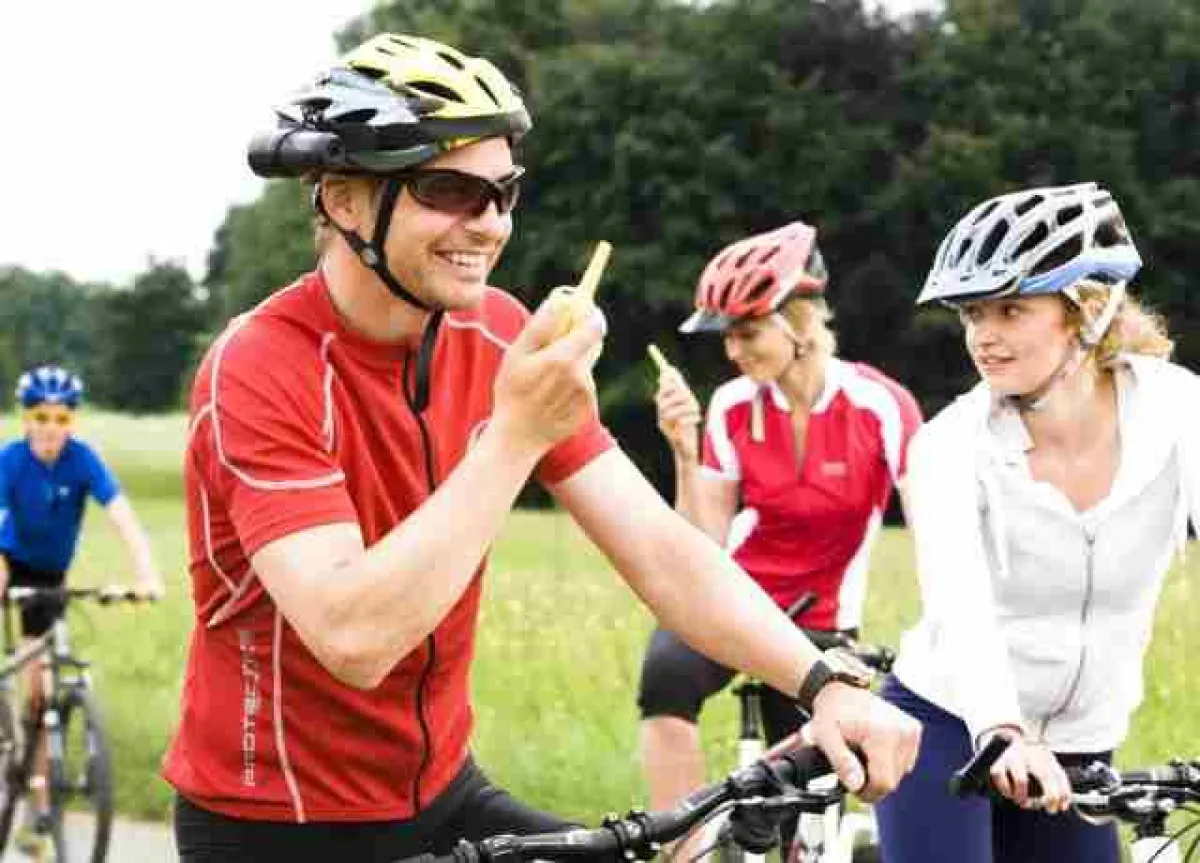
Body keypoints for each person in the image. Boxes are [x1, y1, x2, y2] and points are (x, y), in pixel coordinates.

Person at [161, 33, 921, 863]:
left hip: (440, 792)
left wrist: (823, 683)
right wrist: (515, 433)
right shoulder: (258, 366)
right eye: (450, 190)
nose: (489, 224)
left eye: (504, 192)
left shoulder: (499, 331)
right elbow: (355, 637)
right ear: (344, 199)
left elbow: (661, 549)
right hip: (275, 825)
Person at [873, 181, 1197, 863]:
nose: (983, 337)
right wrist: (1003, 729)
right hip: (946, 725)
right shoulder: (949, 445)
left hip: (1081, 745)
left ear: (1085, 311)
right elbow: (962, 608)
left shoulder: (1178, 412)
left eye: (1011, 310)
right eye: (972, 315)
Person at [638, 221, 922, 821]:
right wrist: (684, 452)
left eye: (747, 333)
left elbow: (933, 529)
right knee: (666, 675)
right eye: (727, 337)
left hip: (823, 624)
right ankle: (683, 851)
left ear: (800, 324)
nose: (732, 352)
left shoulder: (881, 405)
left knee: (801, 808)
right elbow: (703, 545)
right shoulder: (731, 406)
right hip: (739, 605)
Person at [0, 364, 164, 851]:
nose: (51, 428)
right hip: (9, 562)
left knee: (43, 692)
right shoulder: (11, 461)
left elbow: (123, 517)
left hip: (51, 577)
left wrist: (147, 576)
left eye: (61, 418)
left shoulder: (82, 460)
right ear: (26, 418)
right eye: (41, 417)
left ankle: (40, 812)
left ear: (72, 421)